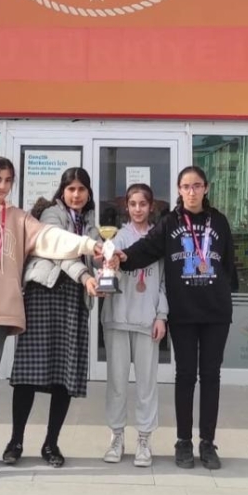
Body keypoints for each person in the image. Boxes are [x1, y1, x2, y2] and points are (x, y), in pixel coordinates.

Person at [0, 157, 103, 483]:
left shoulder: (19, 219)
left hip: (0, 312)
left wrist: (90, 244)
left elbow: (52, 239)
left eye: (8, 180)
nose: (3, 186)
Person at [112, 166, 238, 470]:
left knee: (211, 376)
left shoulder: (219, 221)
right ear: (179, 190)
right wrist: (122, 258)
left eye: (197, 186)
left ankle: (207, 442)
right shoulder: (170, 222)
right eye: (185, 186)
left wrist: (223, 291)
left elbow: (229, 263)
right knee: (185, 376)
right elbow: (146, 248)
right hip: (183, 313)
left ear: (206, 188)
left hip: (216, 312)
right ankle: (183, 442)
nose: (191, 192)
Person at [4, 167, 101, 468]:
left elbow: (96, 257)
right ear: (62, 191)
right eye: (71, 189)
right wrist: (86, 274)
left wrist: (108, 261)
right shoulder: (50, 215)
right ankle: (15, 441)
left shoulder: (91, 222)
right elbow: (61, 251)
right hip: (44, 294)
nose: (76, 195)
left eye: (81, 189)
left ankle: (51, 443)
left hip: (74, 301)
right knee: (28, 374)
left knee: (64, 376)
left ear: (88, 193)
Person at [101, 183, 168, 467]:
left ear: (151, 207)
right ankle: (116, 436)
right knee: (117, 383)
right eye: (133, 204)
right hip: (118, 318)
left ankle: (144, 438)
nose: (138, 209)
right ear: (126, 207)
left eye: (143, 204)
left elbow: (164, 282)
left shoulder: (158, 240)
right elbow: (107, 276)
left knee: (146, 384)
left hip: (146, 320)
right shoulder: (116, 239)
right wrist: (108, 266)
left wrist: (162, 315)